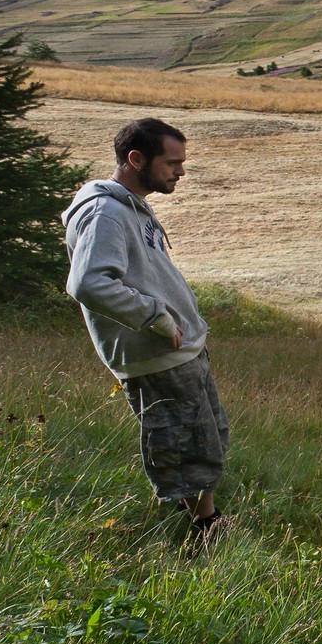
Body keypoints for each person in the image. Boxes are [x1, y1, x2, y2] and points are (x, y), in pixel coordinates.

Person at [62, 118, 228, 539]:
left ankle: (202, 518)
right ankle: (201, 532)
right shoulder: (105, 213)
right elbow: (89, 282)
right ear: (136, 159)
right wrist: (156, 317)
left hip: (178, 348)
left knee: (203, 439)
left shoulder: (129, 204)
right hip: (155, 355)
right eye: (172, 162)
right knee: (183, 446)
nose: (181, 172)